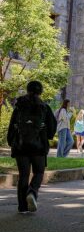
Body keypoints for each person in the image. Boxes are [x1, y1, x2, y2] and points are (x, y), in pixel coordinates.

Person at [7, 81, 57, 213]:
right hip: (38, 147)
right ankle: (32, 192)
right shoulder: (44, 107)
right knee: (39, 172)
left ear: (27, 90)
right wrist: (47, 134)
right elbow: (52, 128)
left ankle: (22, 207)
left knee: (23, 175)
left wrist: (12, 142)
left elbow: (12, 126)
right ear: (40, 91)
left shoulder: (19, 106)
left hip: (21, 146)